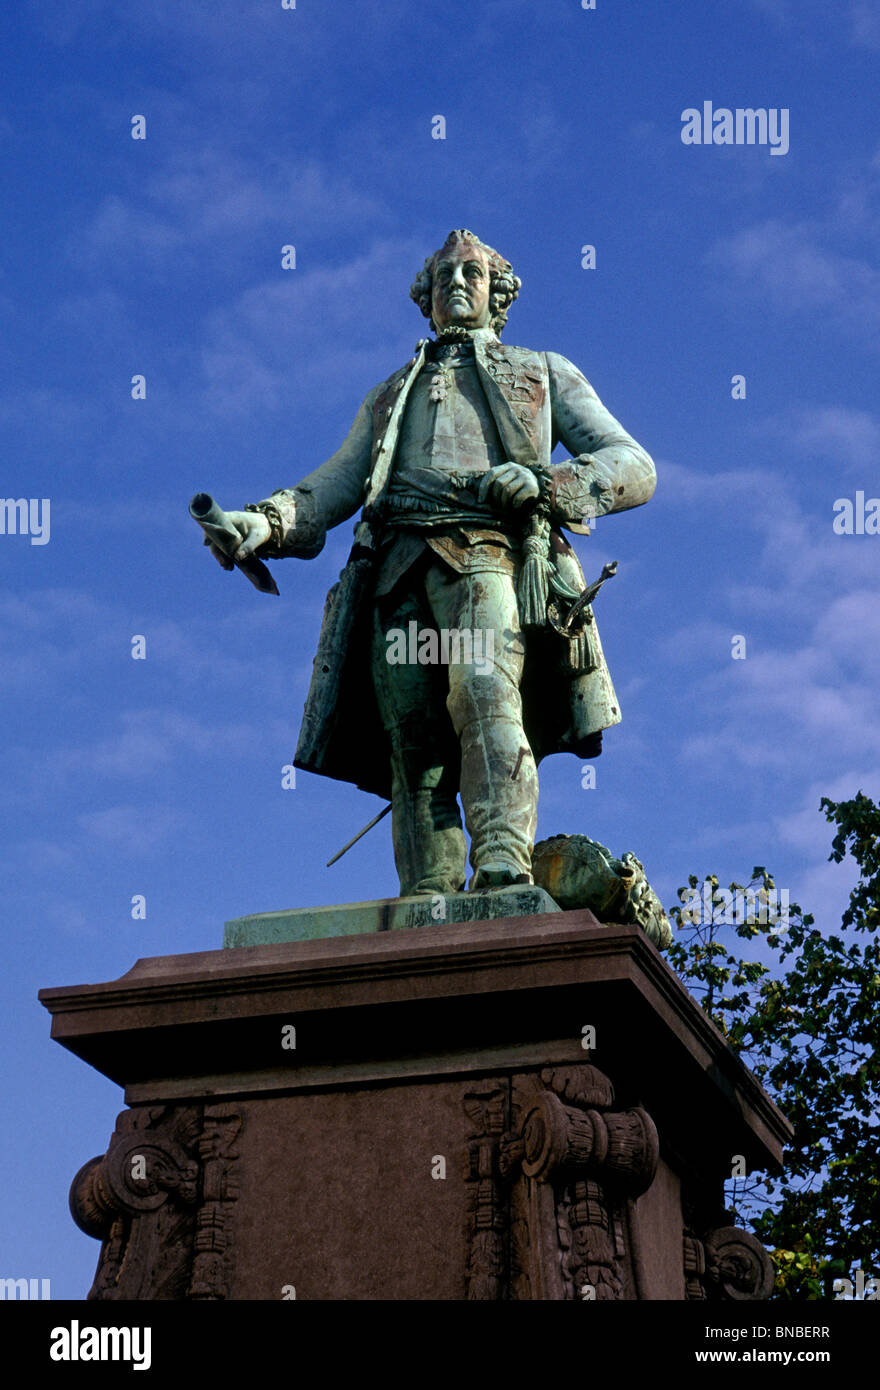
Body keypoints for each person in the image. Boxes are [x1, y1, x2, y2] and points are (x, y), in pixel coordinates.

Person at [203, 229, 656, 897]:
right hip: (396, 568)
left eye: (472, 272)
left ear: (497, 293)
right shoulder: (390, 394)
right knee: (411, 738)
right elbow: (334, 483)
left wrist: (549, 483)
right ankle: (429, 892)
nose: (457, 282)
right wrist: (264, 522)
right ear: (426, 296)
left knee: (481, 693)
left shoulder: (542, 371)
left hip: (488, 555)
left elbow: (633, 464)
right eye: (444, 274)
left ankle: (503, 868)